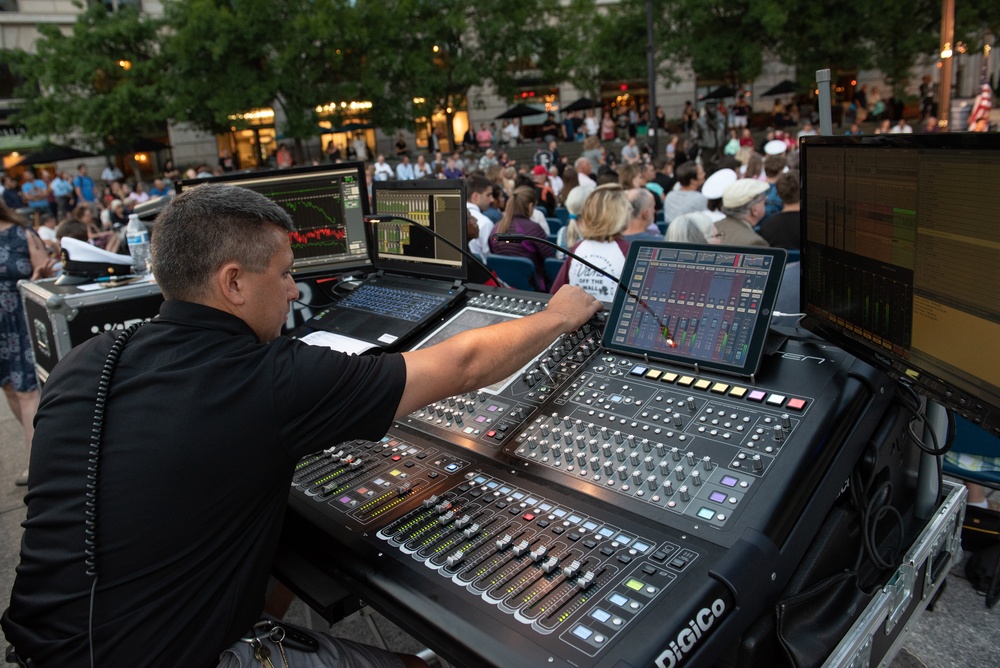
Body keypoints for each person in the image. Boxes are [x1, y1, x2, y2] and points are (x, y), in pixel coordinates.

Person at [1, 183, 601, 667]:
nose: (294, 291)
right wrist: (557, 315)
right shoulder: (265, 380)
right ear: (233, 282)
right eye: (284, 273)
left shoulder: (86, 362)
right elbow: (463, 363)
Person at [0, 203, 53, 487]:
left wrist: (37, 278)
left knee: (26, 391)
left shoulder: (23, 233)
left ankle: (37, 464)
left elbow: (43, 278)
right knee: (9, 389)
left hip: (19, 320)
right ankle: (39, 447)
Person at [549, 184, 631, 300]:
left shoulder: (579, 247)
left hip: (577, 315)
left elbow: (555, 294)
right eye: (628, 208)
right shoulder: (628, 251)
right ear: (620, 215)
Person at [488, 186, 554, 291]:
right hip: (534, 289)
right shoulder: (534, 228)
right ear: (530, 206)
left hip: (504, 288)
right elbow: (549, 261)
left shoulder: (495, 229)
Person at [715, 179, 771, 247]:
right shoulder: (754, 242)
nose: (765, 205)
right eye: (764, 202)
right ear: (754, 210)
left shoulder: (710, 228)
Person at [465, 173, 494, 261]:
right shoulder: (485, 223)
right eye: (488, 195)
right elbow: (490, 259)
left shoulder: (453, 216)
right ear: (476, 196)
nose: (492, 199)